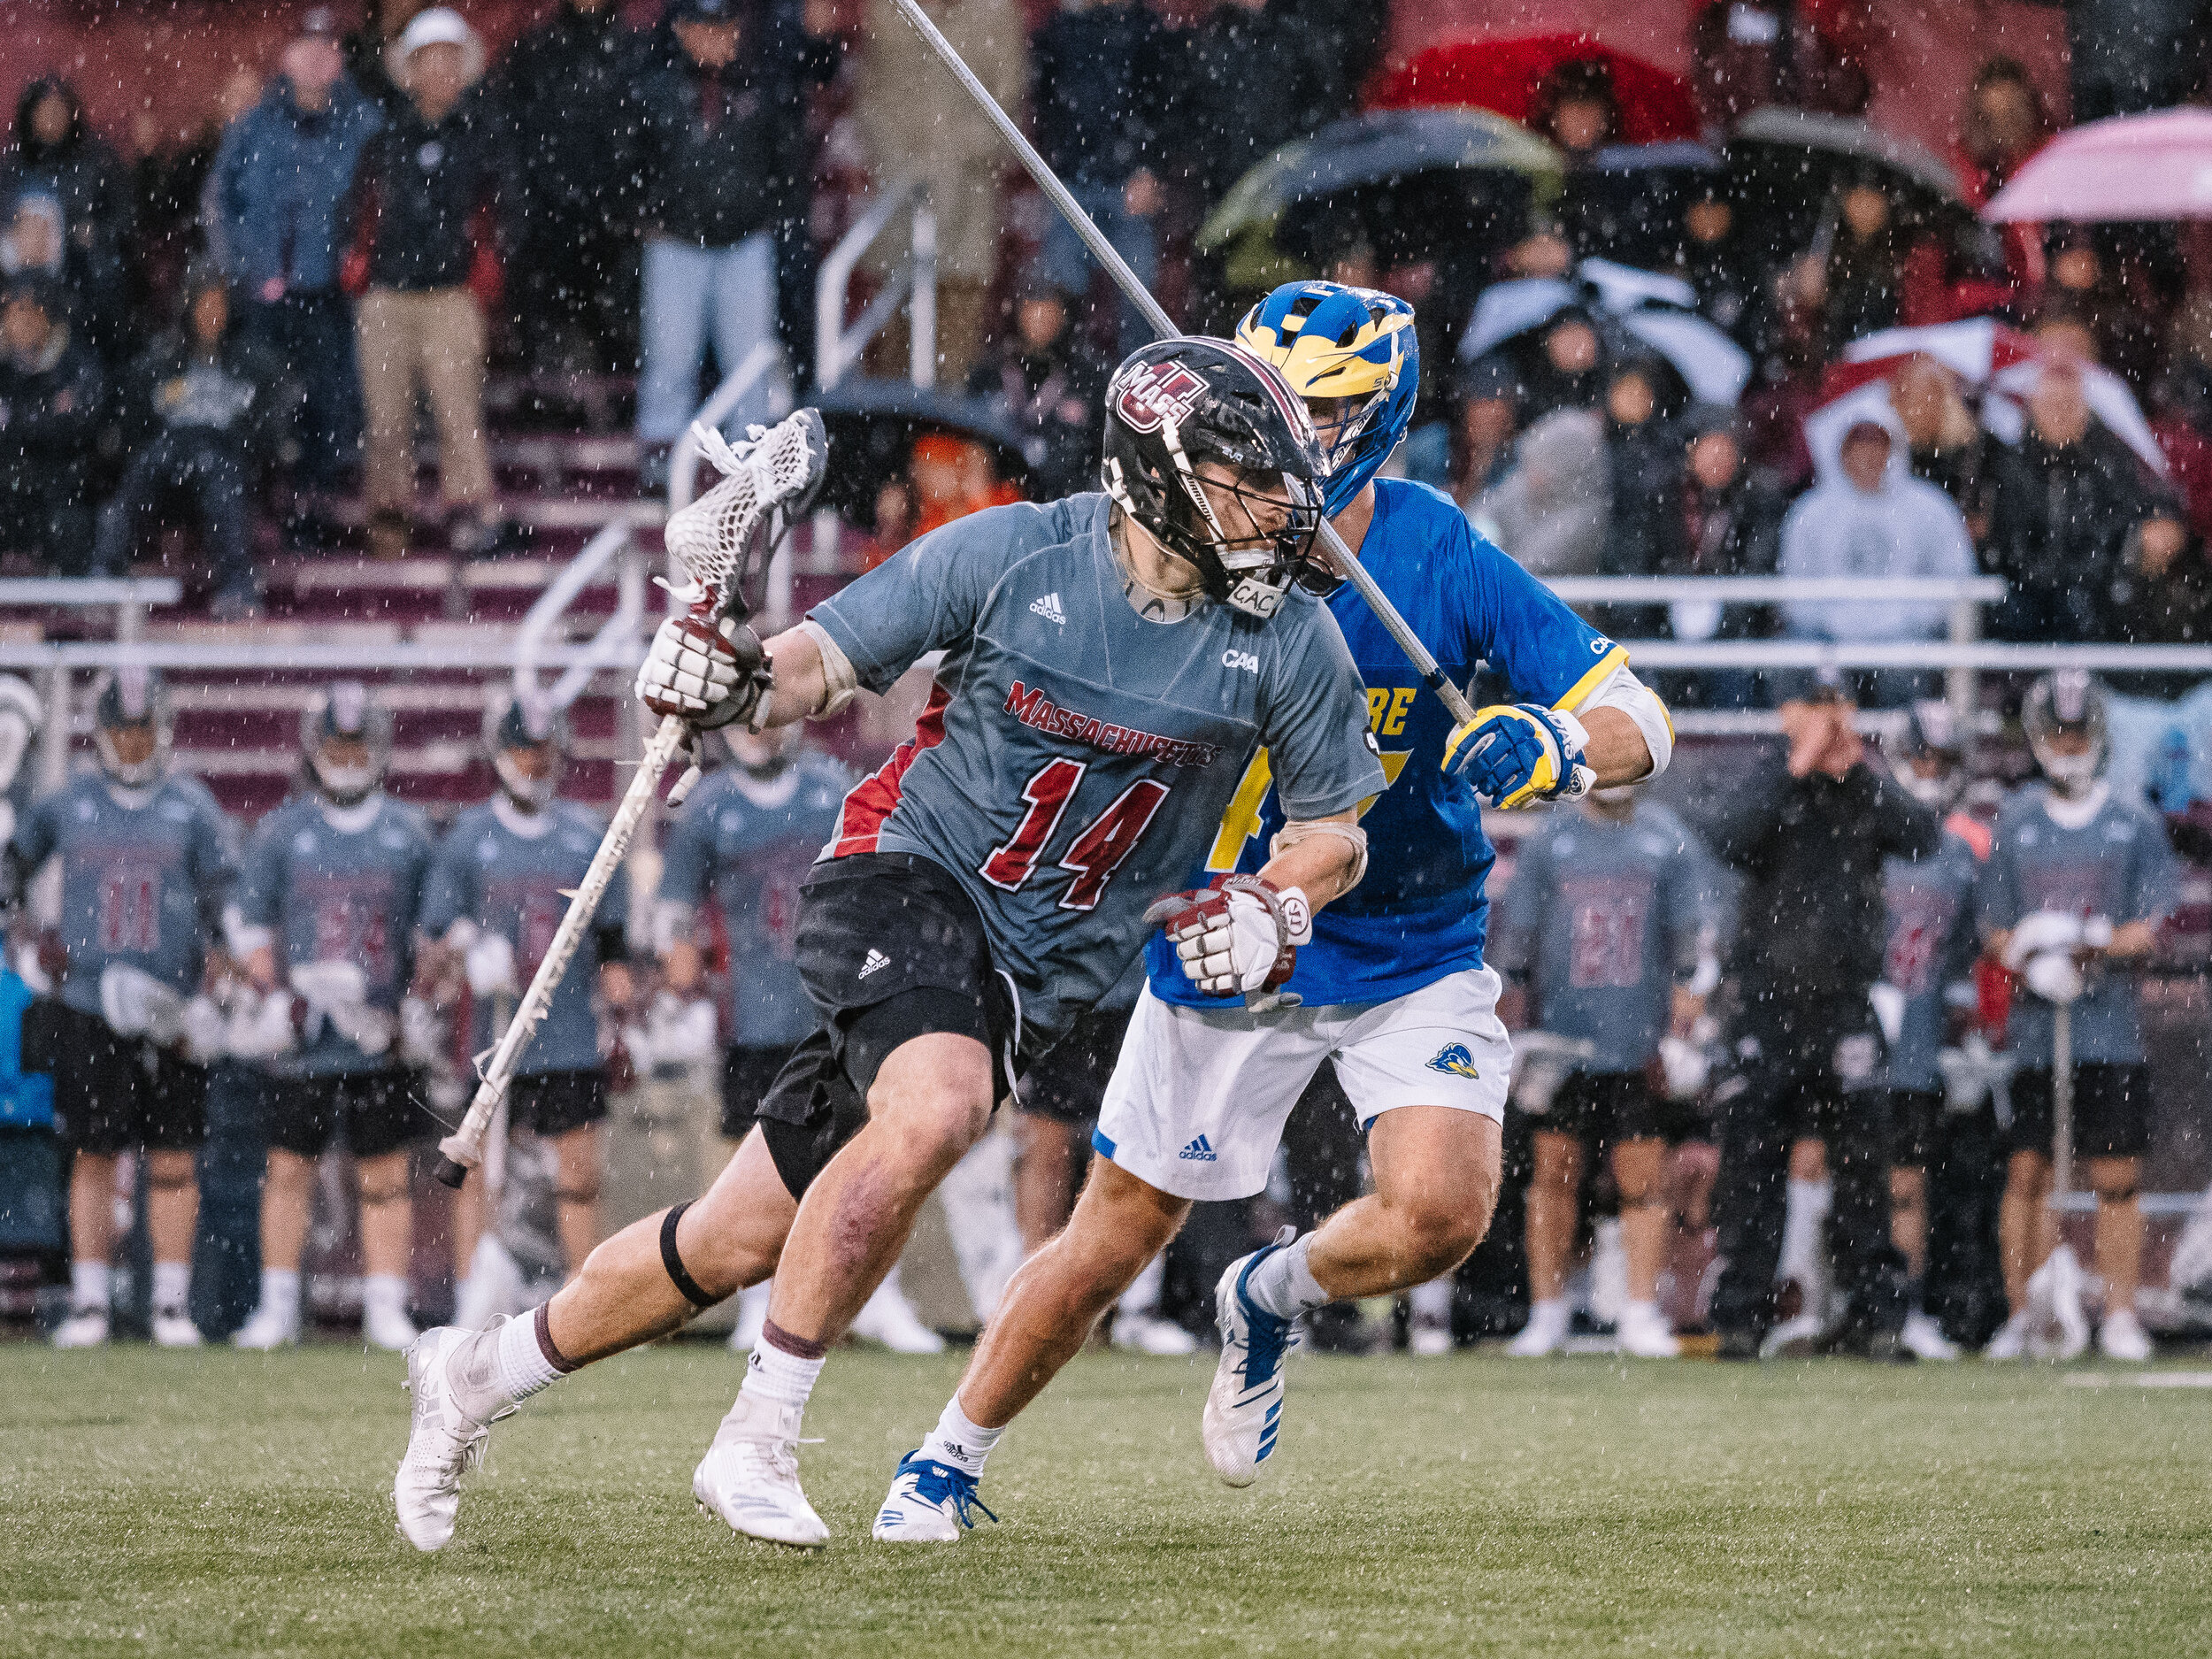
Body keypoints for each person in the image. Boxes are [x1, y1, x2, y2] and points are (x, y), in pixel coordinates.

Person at [390, 337, 1382, 1553]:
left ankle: (473, 1377)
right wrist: (726, 675)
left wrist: (1278, 901)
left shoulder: (1287, 635)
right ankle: (756, 1437)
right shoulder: (1014, 551)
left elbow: (1335, 828)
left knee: (733, 1233)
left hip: (1036, 969)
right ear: (1159, 476)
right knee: (938, 1104)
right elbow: (810, 664)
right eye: (1246, 478)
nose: (1281, 507)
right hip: (904, 874)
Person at [868, 283, 1672, 1539]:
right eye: (1275, 393)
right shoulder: (1177, 539)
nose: (1290, 422)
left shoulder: (1436, 550)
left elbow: (1644, 716)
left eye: (1326, 404)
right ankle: (945, 1456)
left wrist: (1559, 743)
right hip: (1225, 936)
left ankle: (1269, 1293)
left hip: (1405, 931)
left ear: (1387, 409)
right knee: (1114, 1229)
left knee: (1442, 1213)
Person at [651, 722, 935, 1353]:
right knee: (749, 1154)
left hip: (834, 1004)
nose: (761, 730)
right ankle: (760, 1295)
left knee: (862, 1147)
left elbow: (881, 882)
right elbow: (674, 911)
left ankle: (873, 1292)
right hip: (748, 1009)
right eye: (749, 719)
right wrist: (681, 984)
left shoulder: (831, 787)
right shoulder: (710, 805)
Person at [1705, 687, 1939, 1361]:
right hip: (1768, 1005)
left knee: (1864, 1169)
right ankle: (1741, 1317)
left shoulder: (1862, 792)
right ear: (1788, 715)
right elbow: (1730, 838)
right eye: (1815, 706)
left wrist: (1858, 767)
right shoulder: (1771, 782)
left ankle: (1877, 1315)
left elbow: (1924, 836)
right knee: (1752, 1167)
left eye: (1836, 707)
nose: (1828, 722)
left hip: (1845, 1005)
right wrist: (1797, 765)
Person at [9, 668, 236, 1348]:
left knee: (173, 1158)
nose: (134, 744)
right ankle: (90, 1304)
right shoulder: (69, 803)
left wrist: (217, 986)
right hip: (88, 1003)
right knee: (92, 1155)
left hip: (169, 1006)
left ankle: (169, 1304)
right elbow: (11, 865)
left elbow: (228, 903)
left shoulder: (191, 806)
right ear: (102, 734)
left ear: (162, 731)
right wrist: (24, 936)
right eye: (123, 731)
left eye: (144, 731)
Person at [229, 684, 434, 1352]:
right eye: (336, 743)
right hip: (306, 1034)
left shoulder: (407, 830)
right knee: (288, 1170)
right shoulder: (284, 829)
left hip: (379, 1030)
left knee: (384, 1175)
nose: (347, 756)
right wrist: (277, 991)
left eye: (357, 743)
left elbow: (432, 935)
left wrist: (414, 1004)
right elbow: (249, 922)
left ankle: (384, 1305)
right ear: (315, 748)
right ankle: (278, 1303)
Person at [1979, 672, 2177, 1363]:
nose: (2068, 744)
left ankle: (2120, 1313)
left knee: (2116, 1176)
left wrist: (2082, 940)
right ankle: (2024, 1312)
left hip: (2107, 1025)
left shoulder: (2132, 823)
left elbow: (2149, 926)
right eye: (2057, 732)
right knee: (2028, 1172)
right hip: (2039, 1030)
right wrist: (2030, 954)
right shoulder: (2018, 822)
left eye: (2078, 730)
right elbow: (1995, 927)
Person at [419, 692, 633, 1326]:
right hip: (492, 1037)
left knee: (579, 1173)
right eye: (521, 750)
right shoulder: (467, 838)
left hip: (565, 1031)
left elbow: (615, 948)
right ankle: (471, 1294)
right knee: (477, 1168)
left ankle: (581, 1293)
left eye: (543, 751)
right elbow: (433, 947)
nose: (533, 763)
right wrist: (464, 951)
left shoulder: (585, 834)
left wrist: (625, 1022)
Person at [1492, 784, 1715, 1360]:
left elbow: (1693, 938)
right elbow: (1516, 939)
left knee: (1644, 1179)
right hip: (1563, 1036)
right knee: (1552, 1176)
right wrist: (1510, 1017)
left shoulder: (1667, 838)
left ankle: (1638, 1311)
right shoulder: (1553, 840)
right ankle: (1548, 1313)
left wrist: (1684, 1018)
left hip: (1636, 1034)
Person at [634, 0, 825, 481]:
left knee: (750, 365)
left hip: (745, 245)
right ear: (680, 31)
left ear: (738, 31)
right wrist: (650, 215)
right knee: (670, 363)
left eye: (721, 27)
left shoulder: (763, 88)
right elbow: (630, 165)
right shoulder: (656, 90)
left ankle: (750, 466)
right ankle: (660, 464)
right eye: (701, 27)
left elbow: (787, 168)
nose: (712, 38)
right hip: (675, 245)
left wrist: (770, 222)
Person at [349, 6, 506, 561]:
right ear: (408, 70)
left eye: (448, 60)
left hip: (451, 295)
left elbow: (499, 212)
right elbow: (361, 211)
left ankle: (471, 515)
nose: (438, 71)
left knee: (457, 408)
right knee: (386, 414)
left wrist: (487, 264)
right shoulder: (383, 139)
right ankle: (389, 520)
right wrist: (360, 266)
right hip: (388, 295)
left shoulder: (483, 136)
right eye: (427, 60)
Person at [210, 6, 383, 501]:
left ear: (340, 59)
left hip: (335, 290)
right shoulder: (253, 126)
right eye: (305, 48)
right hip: (263, 292)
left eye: (327, 49)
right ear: (286, 57)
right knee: (262, 399)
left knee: (330, 402)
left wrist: (363, 262)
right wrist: (243, 266)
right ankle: (263, 498)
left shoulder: (365, 124)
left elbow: (383, 201)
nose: (315, 60)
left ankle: (316, 501)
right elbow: (220, 200)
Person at [1873, 702, 1987, 1363]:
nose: (1929, 771)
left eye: (1940, 761)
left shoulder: (1962, 849)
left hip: (1917, 1038)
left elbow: (1970, 951)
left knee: (1907, 1180)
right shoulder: (1871, 834)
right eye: (1921, 757)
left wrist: (1967, 1030)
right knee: (1832, 1170)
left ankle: (1904, 1306)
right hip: (1856, 1029)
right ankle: (1828, 1303)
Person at [94, 264, 288, 617]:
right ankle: (105, 575)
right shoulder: (161, 360)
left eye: (219, 304)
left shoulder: (254, 362)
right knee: (140, 475)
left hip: (224, 452)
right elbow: (135, 422)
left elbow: (269, 427)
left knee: (221, 483)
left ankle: (237, 586)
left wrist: (241, 444)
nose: (212, 314)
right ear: (190, 307)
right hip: (170, 448)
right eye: (205, 304)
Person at [852, 0, 1025, 388]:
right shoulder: (889, 10)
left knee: (952, 355)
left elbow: (1008, 109)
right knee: (891, 354)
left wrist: (950, 153)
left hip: (968, 207)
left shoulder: (997, 14)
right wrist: (901, 160)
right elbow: (870, 101)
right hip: (899, 202)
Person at [482, 0, 657, 382]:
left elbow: (653, 137)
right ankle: (551, 391)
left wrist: (634, 206)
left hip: (619, 224)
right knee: (544, 310)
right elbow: (510, 137)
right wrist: (526, 205)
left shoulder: (640, 50)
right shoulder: (533, 53)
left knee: (627, 319)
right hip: (549, 217)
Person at [1778, 410, 1976, 705]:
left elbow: (1957, 576)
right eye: (1857, 444)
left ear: (1894, 449)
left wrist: (1906, 620)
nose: (1867, 454)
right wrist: (1841, 624)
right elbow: (1794, 588)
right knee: (1796, 666)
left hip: (1907, 636)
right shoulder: (1811, 512)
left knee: (1905, 676)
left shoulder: (1930, 507)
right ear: (1842, 451)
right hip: (1828, 635)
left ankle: (1904, 747)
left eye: (1877, 444)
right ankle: (1804, 749)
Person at [1029, 0, 1177, 355]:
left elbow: (1166, 107)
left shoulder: (1147, 30)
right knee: (1057, 298)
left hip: (1129, 186)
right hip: (1071, 183)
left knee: (1139, 303)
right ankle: (1061, 393)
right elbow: (1044, 106)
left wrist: (1149, 167)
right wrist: (1058, 164)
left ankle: (1137, 381)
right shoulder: (1059, 31)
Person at [0, 77, 134, 363]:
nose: (52, 119)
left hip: (79, 278)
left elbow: (126, 216)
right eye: (44, 111)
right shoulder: (10, 163)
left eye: (59, 111)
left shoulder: (96, 158)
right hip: (18, 285)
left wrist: (95, 233)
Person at [965, 268, 1110, 503]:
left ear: (1064, 315)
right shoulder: (990, 372)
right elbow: (971, 443)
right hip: (1002, 503)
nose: (1040, 320)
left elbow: (1102, 450)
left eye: (1049, 311)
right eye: (1032, 309)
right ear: (1018, 312)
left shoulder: (1089, 375)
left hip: (1069, 501)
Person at [0, 274, 104, 572]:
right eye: (15, 314)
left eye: (31, 312)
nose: (23, 323)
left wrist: (20, 421)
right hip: (10, 481)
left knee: (71, 521)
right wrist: (47, 414)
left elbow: (83, 424)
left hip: (63, 480)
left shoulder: (75, 363)